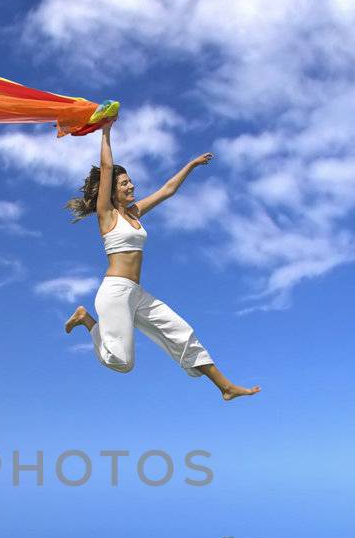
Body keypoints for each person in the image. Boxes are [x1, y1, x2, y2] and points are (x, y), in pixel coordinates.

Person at [63, 114, 261, 401]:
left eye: (131, 182)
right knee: (122, 362)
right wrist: (105, 132)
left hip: (137, 293)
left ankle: (225, 387)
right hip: (115, 292)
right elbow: (107, 167)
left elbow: (168, 190)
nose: (131, 187)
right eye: (125, 184)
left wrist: (191, 165)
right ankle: (86, 320)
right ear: (113, 191)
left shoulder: (135, 214)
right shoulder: (107, 216)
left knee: (181, 331)